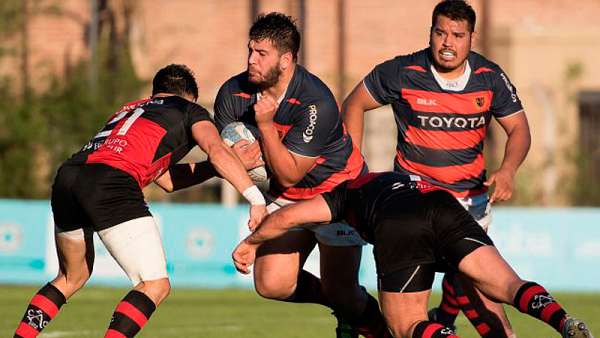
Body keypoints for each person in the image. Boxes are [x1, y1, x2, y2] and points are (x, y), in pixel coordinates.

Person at [13, 64, 267, 338]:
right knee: (154, 285)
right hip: (111, 181)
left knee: (70, 277)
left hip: (69, 177)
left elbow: (167, 181)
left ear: (156, 92)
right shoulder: (190, 110)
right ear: (189, 96)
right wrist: (254, 196)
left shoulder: (129, 108)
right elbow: (216, 150)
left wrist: (218, 166)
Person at [341, 1, 531, 336]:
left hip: (468, 206)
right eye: (440, 32)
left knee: (489, 313)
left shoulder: (490, 77)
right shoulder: (402, 71)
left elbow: (519, 129)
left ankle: (443, 317)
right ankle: (423, 318)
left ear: (471, 38)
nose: (448, 42)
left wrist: (508, 169)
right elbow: (354, 102)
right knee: (406, 321)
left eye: (457, 35)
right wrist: (355, 172)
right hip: (412, 209)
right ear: (430, 33)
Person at [232, 171, 594, 338]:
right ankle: (563, 321)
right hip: (443, 204)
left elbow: (288, 216)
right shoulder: (390, 176)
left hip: (398, 222)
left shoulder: (343, 194)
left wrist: (251, 242)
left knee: (405, 326)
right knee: (509, 285)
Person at [214, 12, 389, 338]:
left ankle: (373, 323)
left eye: (261, 54)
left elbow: (290, 173)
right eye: (250, 51)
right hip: (284, 197)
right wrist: (249, 186)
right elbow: (224, 155)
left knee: (343, 289)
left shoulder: (315, 101)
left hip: (336, 192)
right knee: (271, 284)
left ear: (286, 59)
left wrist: (264, 126)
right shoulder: (233, 94)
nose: (251, 60)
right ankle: (348, 308)